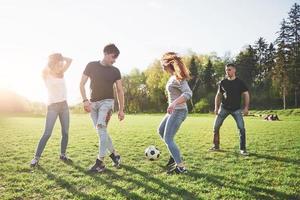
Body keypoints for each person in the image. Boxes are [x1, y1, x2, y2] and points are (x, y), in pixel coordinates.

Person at [80, 43, 125, 173]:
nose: (114, 60)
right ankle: (115, 155)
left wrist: (121, 110)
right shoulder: (91, 65)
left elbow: (120, 91)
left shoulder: (115, 71)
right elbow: (82, 84)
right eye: (113, 56)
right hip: (93, 104)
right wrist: (85, 100)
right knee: (102, 132)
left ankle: (99, 163)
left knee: (101, 129)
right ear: (105, 53)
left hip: (107, 103)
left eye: (116, 58)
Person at [30, 53, 72, 167]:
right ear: (53, 64)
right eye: (58, 64)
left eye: (61, 64)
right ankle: (36, 158)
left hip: (64, 106)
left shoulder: (62, 73)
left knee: (65, 132)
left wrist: (61, 58)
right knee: (47, 133)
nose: (60, 66)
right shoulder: (46, 75)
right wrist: (53, 59)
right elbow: (46, 68)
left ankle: (63, 154)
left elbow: (70, 60)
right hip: (52, 106)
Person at [158, 52, 192, 174]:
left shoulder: (179, 77)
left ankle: (181, 167)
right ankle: (174, 156)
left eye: (162, 63)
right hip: (173, 111)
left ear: (168, 63)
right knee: (161, 131)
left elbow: (188, 94)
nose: (161, 66)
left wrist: (174, 104)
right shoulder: (172, 77)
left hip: (179, 111)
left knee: (168, 138)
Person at [209, 63, 250, 156]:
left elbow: (246, 94)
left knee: (241, 128)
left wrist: (246, 108)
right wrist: (216, 107)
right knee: (215, 127)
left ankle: (242, 149)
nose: (227, 72)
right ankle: (216, 146)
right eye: (226, 70)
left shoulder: (240, 82)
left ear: (234, 70)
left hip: (236, 109)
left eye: (229, 69)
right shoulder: (223, 82)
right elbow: (218, 95)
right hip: (224, 108)